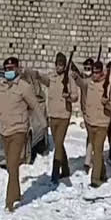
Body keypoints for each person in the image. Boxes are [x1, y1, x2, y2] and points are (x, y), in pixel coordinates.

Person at [0, 57, 41, 212]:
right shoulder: (0, 83)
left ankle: (9, 202)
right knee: (12, 166)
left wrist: (43, 124)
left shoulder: (24, 87)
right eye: (6, 68)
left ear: (18, 69)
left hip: (19, 130)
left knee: (11, 164)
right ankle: (17, 193)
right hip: (5, 130)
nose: (9, 71)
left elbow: (35, 105)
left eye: (12, 68)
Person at [31, 53, 78, 183]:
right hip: (52, 114)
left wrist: (68, 96)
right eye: (57, 64)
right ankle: (66, 169)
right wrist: (36, 75)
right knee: (59, 142)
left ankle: (55, 174)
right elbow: (44, 79)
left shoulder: (70, 79)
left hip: (64, 115)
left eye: (62, 65)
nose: (59, 67)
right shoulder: (52, 77)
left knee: (57, 143)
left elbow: (75, 97)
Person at [74, 60, 111, 187]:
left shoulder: (108, 86)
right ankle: (102, 172)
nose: (95, 75)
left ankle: (95, 179)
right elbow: (81, 83)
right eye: (93, 72)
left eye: (97, 72)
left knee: (97, 151)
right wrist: (75, 76)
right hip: (91, 122)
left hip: (102, 123)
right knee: (97, 151)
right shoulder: (90, 82)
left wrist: (106, 103)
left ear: (102, 72)